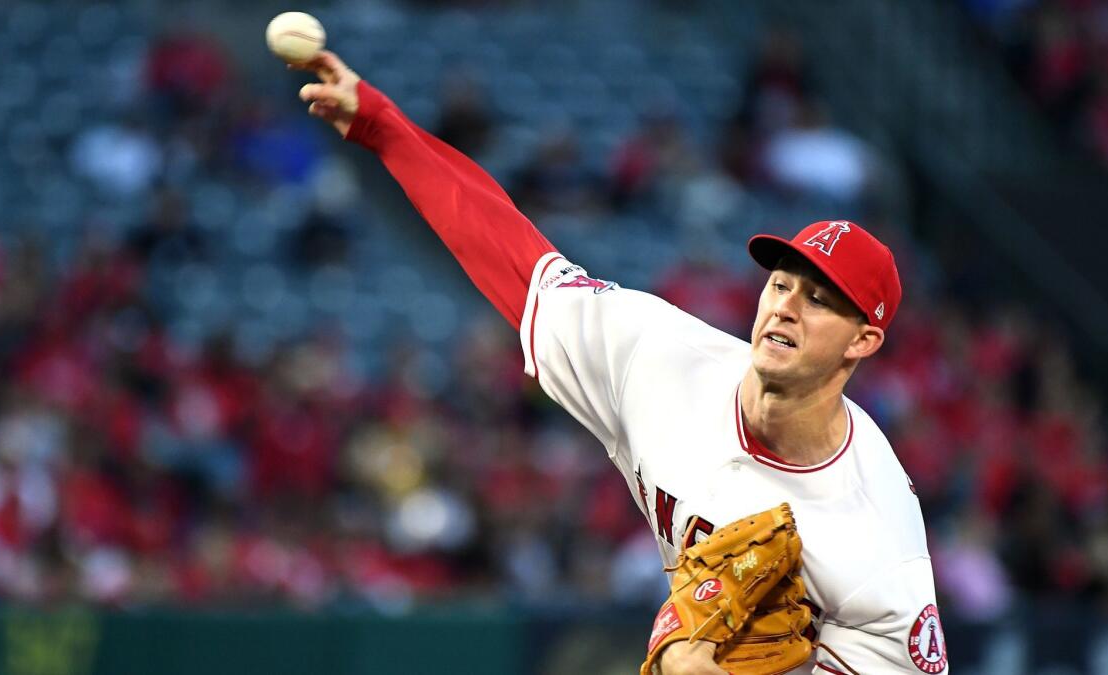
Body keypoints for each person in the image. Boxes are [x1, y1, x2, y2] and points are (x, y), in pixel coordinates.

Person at [293, 51, 947, 675]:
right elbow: (512, 255)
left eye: (820, 300)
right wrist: (382, 125)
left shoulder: (877, 550)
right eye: (781, 284)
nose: (786, 308)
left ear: (862, 341)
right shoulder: (660, 357)